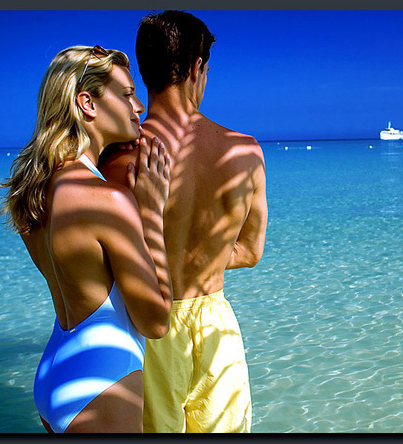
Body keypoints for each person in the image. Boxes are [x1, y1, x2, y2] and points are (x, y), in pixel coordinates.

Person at [99, 11, 268, 433]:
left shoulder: (117, 158)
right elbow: (251, 252)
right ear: (196, 68)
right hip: (215, 326)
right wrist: (204, 257)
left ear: (143, 71)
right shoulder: (246, 153)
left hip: (143, 325)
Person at [0, 45, 173, 433]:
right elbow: (156, 320)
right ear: (87, 104)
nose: (139, 106)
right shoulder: (107, 199)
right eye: (127, 94)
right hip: (103, 382)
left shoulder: (35, 192)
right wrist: (151, 212)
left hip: (58, 370)